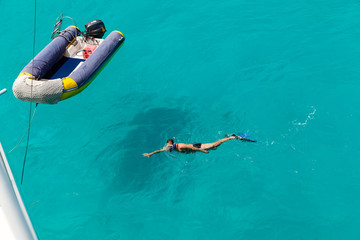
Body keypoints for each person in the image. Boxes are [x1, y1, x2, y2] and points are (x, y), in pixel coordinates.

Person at [143, 134, 245, 157]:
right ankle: (227, 136)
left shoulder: (181, 146)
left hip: (197, 147)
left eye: (169, 147)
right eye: (168, 147)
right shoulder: (167, 147)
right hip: (195, 150)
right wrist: (150, 154)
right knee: (215, 147)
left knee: (214, 144)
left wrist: (203, 151)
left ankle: (232, 137)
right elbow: (159, 150)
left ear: (173, 145)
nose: (168, 149)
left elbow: (192, 148)